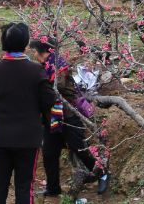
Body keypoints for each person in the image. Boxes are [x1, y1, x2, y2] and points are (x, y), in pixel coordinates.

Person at [0, 23, 56, 204]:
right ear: (26, 43)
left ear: (4, 42)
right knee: (24, 187)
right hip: (28, 138)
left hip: (1, 136)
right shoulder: (36, 71)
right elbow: (49, 100)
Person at [40, 65, 109, 198]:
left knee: (79, 149)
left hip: (69, 116)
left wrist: (41, 81)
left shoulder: (59, 64)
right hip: (52, 118)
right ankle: (53, 188)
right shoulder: (42, 67)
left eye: (36, 51)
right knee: (49, 153)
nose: (35, 54)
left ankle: (102, 174)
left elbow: (58, 85)